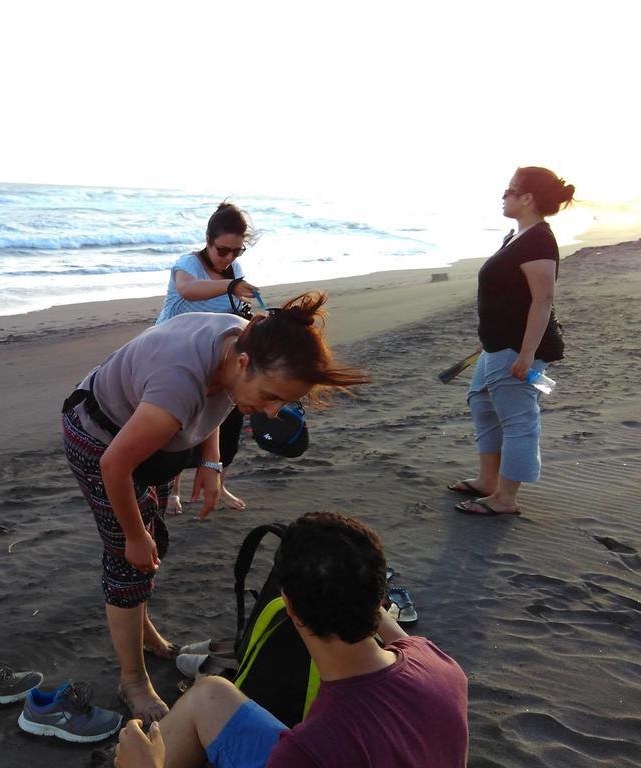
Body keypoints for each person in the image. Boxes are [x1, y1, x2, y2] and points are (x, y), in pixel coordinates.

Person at [62, 293, 369, 726]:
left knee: (153, 541)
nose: (270, 411)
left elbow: (222, 396)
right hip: (98, 439)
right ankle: (132, 679)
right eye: (270, 396)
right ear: (244, 364)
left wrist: (210, 462)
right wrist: (132, 535)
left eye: (282, 403)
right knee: (129, 557)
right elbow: (115, 463)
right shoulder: (179, 381)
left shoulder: (242, 340)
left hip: (139, 434)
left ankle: (143, 632)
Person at [113, 512, 469, 768]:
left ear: (289, 607)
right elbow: (388, 627)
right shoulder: (441, 666)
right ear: (379, 597)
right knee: (210, 693)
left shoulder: (310, 749)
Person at [450, 166, 576, 516]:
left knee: (518, 418)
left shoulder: (538, 240)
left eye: (509, 190)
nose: (503, 196)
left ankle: (506, 498)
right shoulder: (518, 235)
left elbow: (543, 299)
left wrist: (527, 354)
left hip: (518, 348)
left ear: (527, 198)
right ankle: (489, 482)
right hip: (497, 344)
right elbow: (511, 297)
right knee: (481, 402)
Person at [155, 202, 261, 514]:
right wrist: (230, 285)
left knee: (226, 422)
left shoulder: (234, 272)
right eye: (222, 250)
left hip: (213, 356)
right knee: (176, 426)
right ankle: (172, 489)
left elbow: (229, 314)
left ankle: (218, 480)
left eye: (236, 252)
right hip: (173, 352)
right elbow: (189, 291)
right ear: (207, 240)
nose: (228, 258)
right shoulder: (187, 264)